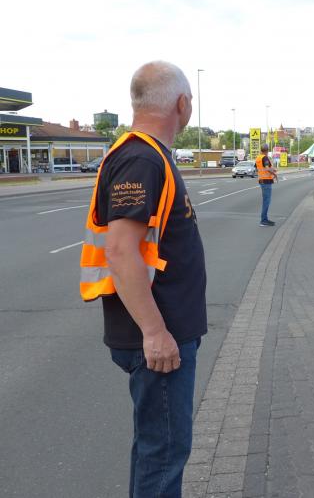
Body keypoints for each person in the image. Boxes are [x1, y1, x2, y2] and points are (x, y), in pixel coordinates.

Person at [79, 61, 206, 497]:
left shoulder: (146, 156)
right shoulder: (141, 159)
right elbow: (119, 250)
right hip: (157, 338)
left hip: (161, 331)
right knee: (164, 452)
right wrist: (154, 333)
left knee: (156, 448)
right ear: (182, 104)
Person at [256, 144, 278, 226]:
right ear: (267, 150)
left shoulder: (258, 158)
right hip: (266, 181)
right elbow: (267, 168)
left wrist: (273, 169)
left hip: (261, 180)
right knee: (266, 201)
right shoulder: (265, 158)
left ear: (261, 150)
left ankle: (264, 219)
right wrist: (274, 174)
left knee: (265, 201)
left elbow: (259, 168)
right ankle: (263, 220)